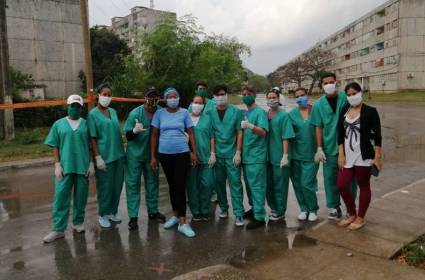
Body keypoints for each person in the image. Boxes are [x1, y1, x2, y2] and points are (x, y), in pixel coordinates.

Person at [43, 94, 94, 243]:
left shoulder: (86, 124)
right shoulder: (58, 124)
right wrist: (57, 164)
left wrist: (91, 163)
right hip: (65, 167)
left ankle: (78, 223)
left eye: (78, 106)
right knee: (60, 198)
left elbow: (91, 146)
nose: (75, 109)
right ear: (68, 106)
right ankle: (58, 229)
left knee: (81, 197)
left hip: (82, 167)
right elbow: (55, 145)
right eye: (73, 106)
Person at [150, 88, 198, 238]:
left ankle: (183, 223)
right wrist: (153, 156)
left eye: (175, 96)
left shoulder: (184, 112)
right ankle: (176, 215)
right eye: (169, 97)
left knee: (179, 185)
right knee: (172, 186)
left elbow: (190, 133)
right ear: (165, 99)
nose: (172, 99)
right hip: (164, 154)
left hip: (182, 153)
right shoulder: (159, 113)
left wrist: (193, 153)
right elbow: (154, 135)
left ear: (178, 98)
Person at [337, 82, 382, 230]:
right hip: (347, 157)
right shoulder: (344, 109)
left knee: (363, 185)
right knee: (342, 185)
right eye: (348, 95)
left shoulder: (370, 111)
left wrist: (377, 157)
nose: (351, 97)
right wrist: (341, 154)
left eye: (354, 93)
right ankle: (351, 213)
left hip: (364, 156)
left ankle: (360, 217)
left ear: (360, 93)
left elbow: (378, 137)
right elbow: (340, 134)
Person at [310, 73, 355, 220]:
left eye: (331, 82)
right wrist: (319, 147)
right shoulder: (318, 105)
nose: (329, 84)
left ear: (336, 82)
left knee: (350, 179)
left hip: (349, 146)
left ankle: (350, 207)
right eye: (325, 83)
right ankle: (335, 207)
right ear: (322, 86)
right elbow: (318, 127)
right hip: (329, 147)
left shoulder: (346, 97)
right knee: (330, 179)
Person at [124, 87, 166, 231]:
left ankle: (153, 212)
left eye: (155, 97)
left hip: (152, 155)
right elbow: (128, 136)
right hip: (134, 156)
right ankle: (133, 217)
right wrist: (134, 131)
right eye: (149, 96)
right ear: (144, 98)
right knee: (133, 184)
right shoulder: (135, 113)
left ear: (158, 99)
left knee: (152, 183)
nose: (152, 100)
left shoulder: (161, 112)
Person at [88, 83, 125, 228]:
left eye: (109, 95)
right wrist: (97, 157)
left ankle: (112, 212)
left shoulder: (113, 112)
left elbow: (116, 132)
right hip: (104, 157)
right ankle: (103, 214)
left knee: (117, 186)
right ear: (98, 95)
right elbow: (93, 137)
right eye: (104, 94)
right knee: (105, 187)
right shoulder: (92, 114)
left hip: (119, 155)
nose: (107, 97)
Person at [209, 85, 245, 226]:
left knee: (235, 183)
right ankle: (223, 208)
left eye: (222, 94)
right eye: (217, 95)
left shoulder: (236, 112)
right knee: (219, 184)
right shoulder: (211, 112)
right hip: (218, 155)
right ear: (214, 97)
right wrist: (212, 153)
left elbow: (239, 132)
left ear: (227, 95)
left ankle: (239, 214)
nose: (220, 97)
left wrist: (238, 152)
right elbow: (212, 134)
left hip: (231, 154)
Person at [289, 88, 320, 222]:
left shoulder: (316, 111)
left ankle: (312, 209)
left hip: (312, 155)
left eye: (302, 95)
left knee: (307, 183)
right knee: (297, 184)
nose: (300, 98)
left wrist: (320, 148)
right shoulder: (291, 114)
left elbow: (322, 129)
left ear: (307, 95)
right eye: (297, 96)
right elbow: (286, 134)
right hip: (295, 154)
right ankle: (304, 208)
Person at [241, 85, 269, 229]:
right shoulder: (246, 113)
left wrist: (251, 126)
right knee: (249, 186)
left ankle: (259, 217)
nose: (246, 95)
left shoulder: (260, 112)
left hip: (256, 157)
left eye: (249, 93)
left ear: (255, 94)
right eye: (244, 93)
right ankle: (253, 209)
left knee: (257, 186)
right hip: (246, 157)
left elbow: (263, 132)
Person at [265, 88, 295, 222]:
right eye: (269, 97)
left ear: (278, 99)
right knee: (269, 184)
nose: (271, 100)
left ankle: (280, 210)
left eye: (273, 97)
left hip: (279, 157)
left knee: (280, 185)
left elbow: (286, 137)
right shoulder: (266, 114)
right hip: (267, 156)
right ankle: (273, 208)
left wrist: (285, 155)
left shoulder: (283, 116)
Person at [186, 95, 216, 221]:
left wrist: (213, 153)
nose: (197, 105)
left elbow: (211, 137)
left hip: (206, 157)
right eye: (195, 102)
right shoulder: (185, 118)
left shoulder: (207, 119)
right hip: (190, 158)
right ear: (191, 103)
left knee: (207, 184)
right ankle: (196, 212)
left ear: (203, 106)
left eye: (200, 103)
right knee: (192, 186)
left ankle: (204, 209)